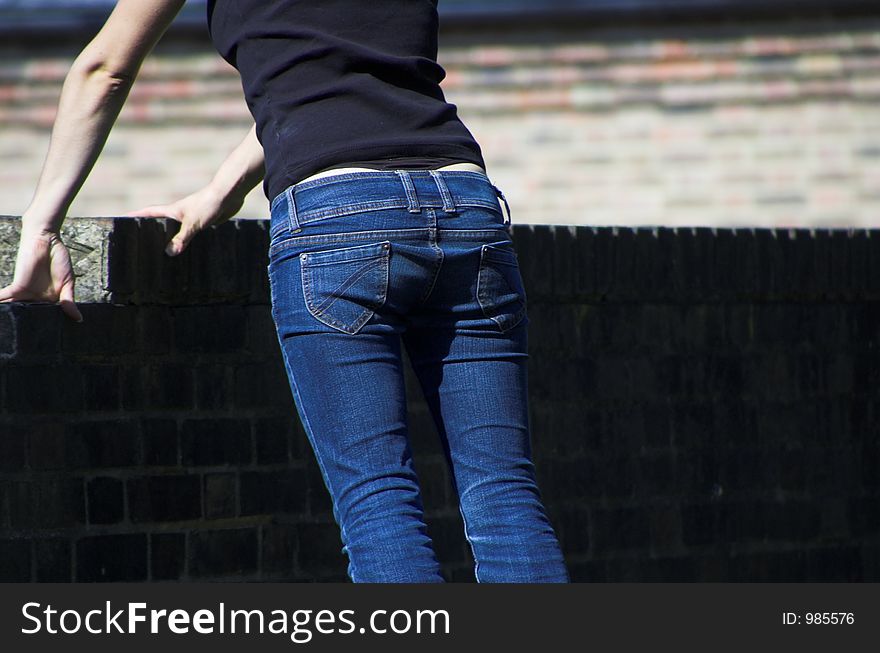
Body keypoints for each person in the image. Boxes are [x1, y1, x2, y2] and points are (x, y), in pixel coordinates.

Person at [0, 0, 569, 583]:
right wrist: (223, 188)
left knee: (379, 504)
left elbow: (105, 69)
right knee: (505, 496)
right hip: (465, 199)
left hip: (337, 218)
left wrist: (42, 226)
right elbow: (343, 76)